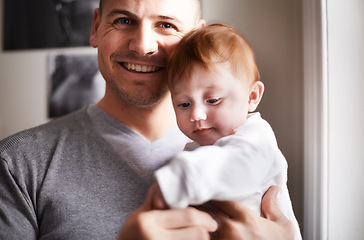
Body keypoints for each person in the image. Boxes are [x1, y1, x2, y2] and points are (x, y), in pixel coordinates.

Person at [0, 0, 295, 239]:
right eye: (124, 20)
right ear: (95, 27)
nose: (143, 46)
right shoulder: (17, 164)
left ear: (195, 39)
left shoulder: (242, 144)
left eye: (166, 25)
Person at [149, 23, 301, 239]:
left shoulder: (255, 138)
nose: (196, 115)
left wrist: (183, 176)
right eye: (184, 104)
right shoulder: (195, 149)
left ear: (252, 97)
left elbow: (236, 167)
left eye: (212, 100)